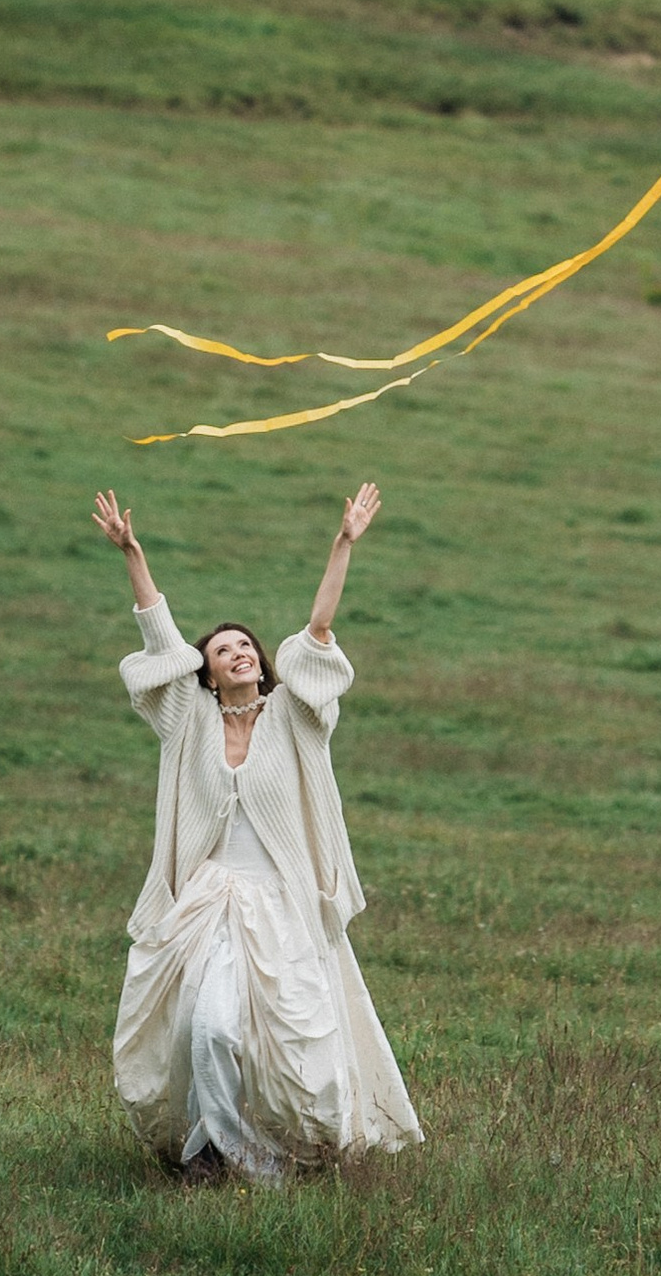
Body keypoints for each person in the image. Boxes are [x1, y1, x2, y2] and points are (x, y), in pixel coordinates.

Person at [92, 481, 421, 1181]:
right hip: (210, 904)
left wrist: (344, 542)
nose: (238, 651)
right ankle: (219, 1155)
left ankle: (279, 1153)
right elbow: (159, 636)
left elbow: (319, 630)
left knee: (288, 1046)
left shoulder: (297, 715)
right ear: (206, 674)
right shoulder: (189, 721)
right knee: (206, 1028)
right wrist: (133, 554)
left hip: (282, 903)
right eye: (221, 649)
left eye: (246, 644)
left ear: (261, 660)